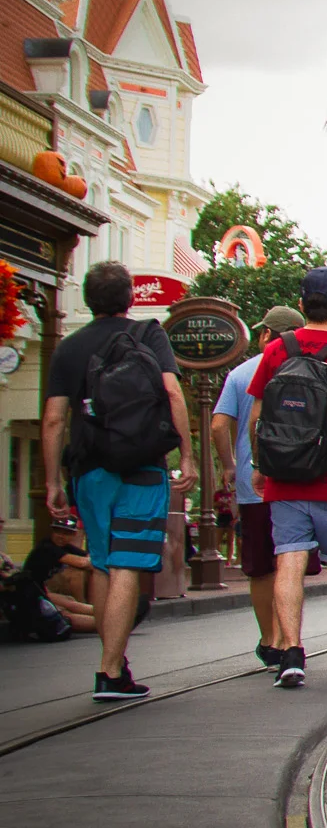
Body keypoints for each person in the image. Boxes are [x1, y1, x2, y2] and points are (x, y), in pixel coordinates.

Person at [41, 260, 195, 701]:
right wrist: (186, 454)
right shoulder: (147, 335)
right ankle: (111, 670)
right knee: (128, 561)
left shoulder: (69, 348)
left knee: (104, 561)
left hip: (90, 469)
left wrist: (53, 479)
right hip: (142, 465)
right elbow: (171, 392)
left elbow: (53, 420)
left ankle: (113, 665)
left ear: (89, 300)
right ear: (131, 297)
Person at [246, 268, 327, 688]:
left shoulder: (275, 352)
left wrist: (259, 466)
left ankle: (290, 652)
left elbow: (256, 417)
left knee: (289, 558)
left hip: (285, 476)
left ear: (302, 305)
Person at [211, 304, 314, 669]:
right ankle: (291, 639)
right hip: (299, 479)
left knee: (260, 567)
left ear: (269, 334)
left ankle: (270, 640)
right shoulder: (313, 366)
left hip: (253, 484)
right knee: (290, 559)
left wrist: (229, 465)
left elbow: (218, 425)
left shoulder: (241, 374)